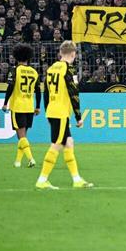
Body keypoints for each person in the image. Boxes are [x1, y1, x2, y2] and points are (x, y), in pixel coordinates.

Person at [36, 41, 93, 189]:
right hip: (61, 112)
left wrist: (48, 111)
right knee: (56, 145)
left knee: (69, 143)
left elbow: (46, 93)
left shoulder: (51, 69)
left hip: (53, 110)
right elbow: (74, 93)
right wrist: (78, 117)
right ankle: (42, 180)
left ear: (61, 53)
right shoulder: (69, 69)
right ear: (73, 54)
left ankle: (77, 179)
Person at [1, 43, 41, 168]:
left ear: (17, 57)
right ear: (28, 57)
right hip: (29, 106)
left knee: (21, 136)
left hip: (18, 106)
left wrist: (5, 103)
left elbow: (11, 86)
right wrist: (38, 106)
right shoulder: (34, 72)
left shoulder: (15, 70)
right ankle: (18, 162)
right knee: (23, 136)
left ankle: (31, 159)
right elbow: (38, 90)